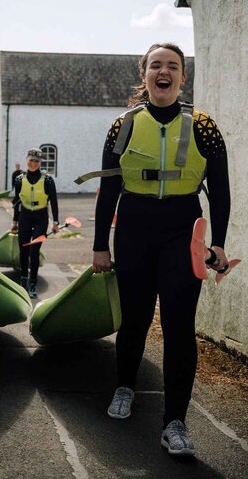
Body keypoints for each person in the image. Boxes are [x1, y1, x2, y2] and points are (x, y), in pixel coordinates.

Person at [89, 43, 231, 457]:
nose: (163, 72)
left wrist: (218, 241)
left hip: (182, 231)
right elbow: (108, 190)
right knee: (133, 319)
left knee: (178, 326)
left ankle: (175, 422)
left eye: (172, 66)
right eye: (156, 65)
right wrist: (100, 244)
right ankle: (124, 387)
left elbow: (220, 191)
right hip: (134, 227)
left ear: (182, 78)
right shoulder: (123, 125)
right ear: (145, 74)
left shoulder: (203, 126)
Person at [10, 148, 60, 298]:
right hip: (25, 216)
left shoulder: (48, 180)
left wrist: (56, 222)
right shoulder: (19, 179)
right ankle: (24, 279)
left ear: (40, 162)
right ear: (26, 160)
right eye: (31, 160)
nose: (33, 163)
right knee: (24, 251)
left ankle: (32, 283)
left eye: (36, 161)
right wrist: (14, 222)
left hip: (41, 218)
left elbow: (54, 201)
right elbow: (17, 202)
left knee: (34, 251)